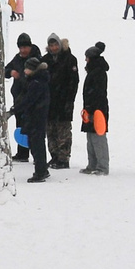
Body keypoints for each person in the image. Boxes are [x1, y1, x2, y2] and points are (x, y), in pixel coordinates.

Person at [11, 41, 54, 181]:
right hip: (37, 117)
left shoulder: (36, 83)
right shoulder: (38, 81)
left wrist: (14, 110)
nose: (24, 71)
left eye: (27, 69)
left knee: (37, 145)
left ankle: (40, 172)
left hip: (36, 117)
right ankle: (42, 170)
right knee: (37, 144)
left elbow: (28, 100)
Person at [44, 34, 80, 170]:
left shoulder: (70, 60)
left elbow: (74, 82)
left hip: (64, 101)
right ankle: (54, 156)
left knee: (63, 131)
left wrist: (69, 100)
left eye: (55, 45)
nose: (53, 48)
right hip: (49, 102)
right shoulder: (45, 60)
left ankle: (64, 158)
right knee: (50, 131)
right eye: (51, 45)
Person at [81, 43, 112, 173]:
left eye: (87, 57)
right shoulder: (94, 71)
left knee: (98, 138)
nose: (85, 60)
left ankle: (102, 166)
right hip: (90, 109)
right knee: (90, 138)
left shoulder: (98, 72)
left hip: (97, 110)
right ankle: (92, 164)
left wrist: (94, 110)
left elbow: (98, 93)